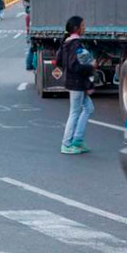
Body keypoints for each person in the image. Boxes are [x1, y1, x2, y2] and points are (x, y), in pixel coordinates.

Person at [56, 16, 96, 155]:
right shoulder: (76, 44)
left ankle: (77, 140)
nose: (84, 27)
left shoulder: (66, 43)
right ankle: (67, 144)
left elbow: (60, 61)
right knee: (74, 113)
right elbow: (75, 65)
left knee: (88, 108)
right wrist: (90, 67)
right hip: (77, 83)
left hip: (73, 82)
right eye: (82, 25)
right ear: (76, 28)